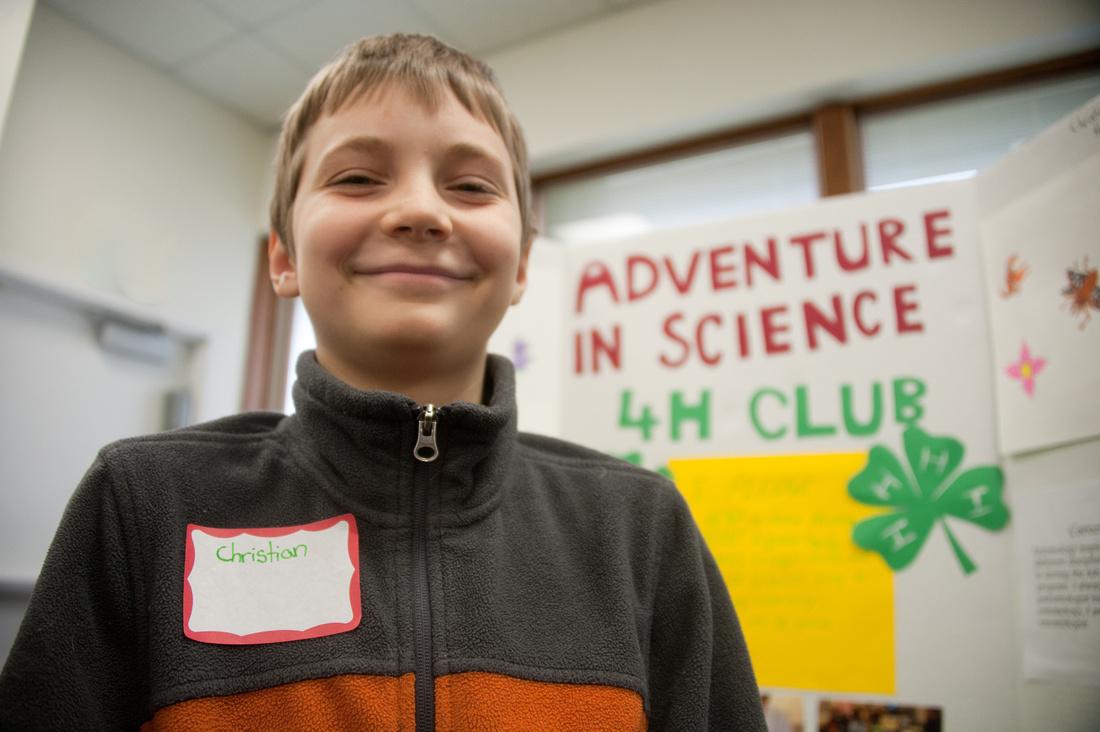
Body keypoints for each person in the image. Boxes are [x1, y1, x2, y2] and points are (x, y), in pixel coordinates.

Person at [0, 34, 764, 730]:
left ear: (524, 263)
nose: (420, 211)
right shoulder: (142, 502)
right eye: (359, 177)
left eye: (469, 187)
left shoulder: (638, 527)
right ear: (283, 257)